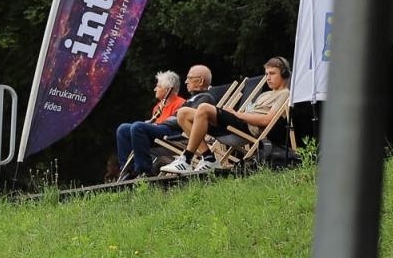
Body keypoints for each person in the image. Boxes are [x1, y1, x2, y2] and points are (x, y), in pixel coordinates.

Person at [162, 56, 291, 175]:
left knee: (204, 108)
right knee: (183, 113)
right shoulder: (264, 95)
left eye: (272, 73)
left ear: (284, 74)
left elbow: (267, 120)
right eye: (267, 74)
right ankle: (208, 158)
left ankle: (186, 158)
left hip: (249, 128)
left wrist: (238, 115)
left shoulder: (284, 94)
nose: (268, 77)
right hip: (238, 123)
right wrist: (236, 114)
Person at [114, 70, 188, 181]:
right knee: (123, 129)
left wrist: (153, 125)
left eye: (158, 86)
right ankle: (128, 170)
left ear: (168, 89)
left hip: (173, 134)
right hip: (158, 134)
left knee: (137, 126)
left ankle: (144, 171)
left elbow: (178, 123)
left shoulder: (181, 103)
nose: (155, 89)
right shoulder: (157, 107)